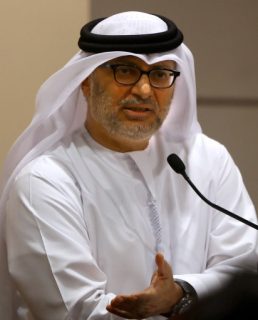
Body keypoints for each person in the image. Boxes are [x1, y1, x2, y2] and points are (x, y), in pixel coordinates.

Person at [0, 10, 257, 320]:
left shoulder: (207, 159)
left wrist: (181, 293)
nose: (144, 91)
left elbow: (244, 268)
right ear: (86, 80)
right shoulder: (45, 181)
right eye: (125, 70)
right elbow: (78, 311)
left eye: (160, 73)